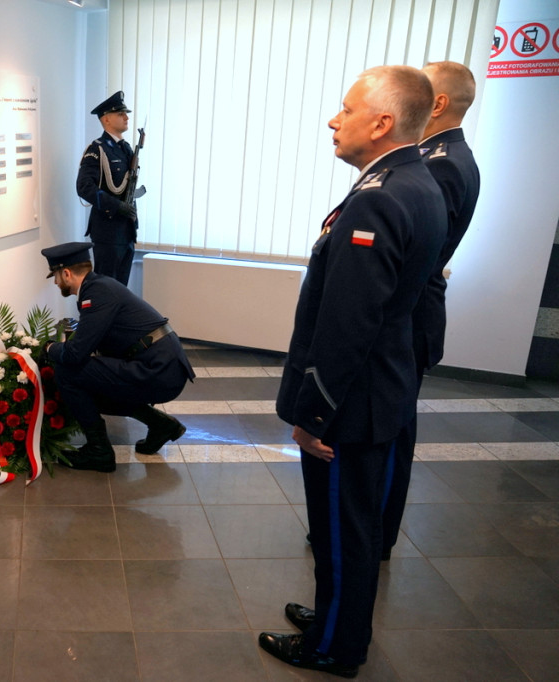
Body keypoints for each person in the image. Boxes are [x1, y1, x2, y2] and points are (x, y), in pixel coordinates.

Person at [261, 65, 447, 677]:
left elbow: (347, 326)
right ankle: (335, 618)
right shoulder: (414, 182)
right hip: (380, 391)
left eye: (346, 109)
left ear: (382, 121)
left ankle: (334, 647)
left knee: (343, 534)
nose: (334, 120)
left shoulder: (382, 198)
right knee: (353, 529)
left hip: (353, 404)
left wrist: (314, 415)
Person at [381, 60, 481, 560]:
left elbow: (412, 256)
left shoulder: (438, 163)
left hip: (410, 317)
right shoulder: (448, 155)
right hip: (417, 313)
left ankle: (372, 534)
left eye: (422, 89)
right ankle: (372, 530)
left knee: (389, 436)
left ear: (437, 104)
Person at [40, 242, 195, 472]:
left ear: (66, 273)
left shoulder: (96, 294)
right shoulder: (99, 287)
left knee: (67, 371)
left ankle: (99, 451)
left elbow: (74, 355)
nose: (55, 283)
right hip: (160, 364)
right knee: (93, 384)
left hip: (159, 370)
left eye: (55, 276)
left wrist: (48, 349)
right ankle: (160, 424)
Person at [76, 91, 139, 286]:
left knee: (121, 292)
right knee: (106, 291)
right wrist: (116, 206)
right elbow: (84, 187)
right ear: (107, 119)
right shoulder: (97, 149)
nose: (126, 117)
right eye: (121, 114)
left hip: (127, 230)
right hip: (108, 231)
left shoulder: (126, 148)